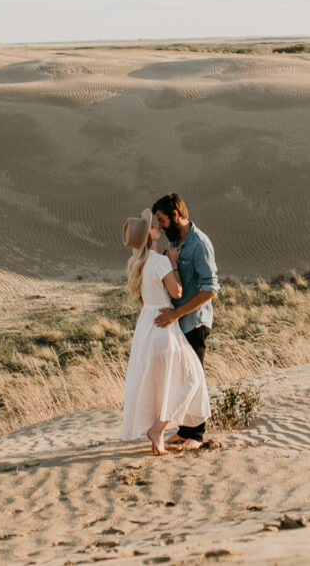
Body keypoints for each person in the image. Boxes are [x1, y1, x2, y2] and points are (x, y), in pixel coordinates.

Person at [119, 209, 210, 455]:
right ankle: (159, 428)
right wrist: (172, 264)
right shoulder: (159, 261)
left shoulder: (136, 263)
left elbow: (142, 298)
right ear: (149, 235)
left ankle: (158, 435)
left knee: (160, 382)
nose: (157, 227)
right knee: (191, 379)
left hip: (147, 325)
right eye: (152, 226)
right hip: (164, 325)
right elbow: (177, 292)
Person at [150, 192, 219, 449]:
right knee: (182, 376)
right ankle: (186, 430)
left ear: (175, 215)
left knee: (194, 377)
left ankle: (196, 435)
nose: (159, 226)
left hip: (195, 321)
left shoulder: (199, 244)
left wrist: (177, 314)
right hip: (177, 322)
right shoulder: (176, 243)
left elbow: (210, 288)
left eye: (161, 220)